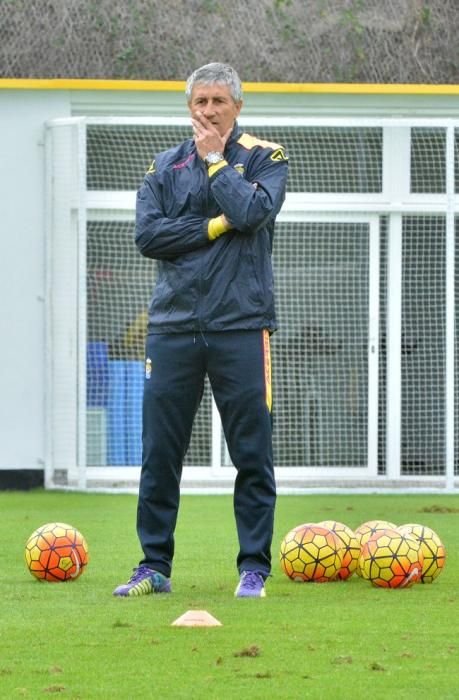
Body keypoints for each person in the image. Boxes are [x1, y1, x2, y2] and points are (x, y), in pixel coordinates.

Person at [113, 62, 288, 599]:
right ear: (189, 107)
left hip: (241, 326)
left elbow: (253, 212)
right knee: (160, 453)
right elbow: (148, 236)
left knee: (251, 453)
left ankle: (253, 568)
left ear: (238, 105)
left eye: (217, 101)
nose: (207, 111)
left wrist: (216, 161)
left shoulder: (266, 157)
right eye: (199, 102)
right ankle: (153, 566)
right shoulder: (164, 165)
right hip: (172, 327)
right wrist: (214, 226)